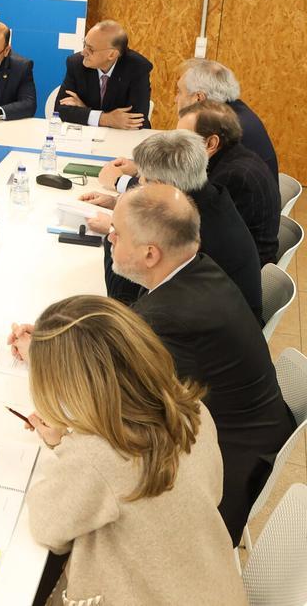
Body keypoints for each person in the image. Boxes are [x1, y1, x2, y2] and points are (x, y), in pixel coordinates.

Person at [37, 183, 292, 545]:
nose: (109, 238)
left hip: (227, 471)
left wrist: (61, 431)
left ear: (151, 254)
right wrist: (55, 336)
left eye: (117, 233)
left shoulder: (170, 318)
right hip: (248, 432)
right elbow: (123, 345)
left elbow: (120, 409)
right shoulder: (194, 269)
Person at [20, 295, 245, 606]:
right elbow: (213, 491)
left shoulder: (96, 457)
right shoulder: (188, 405)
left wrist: (69, 447)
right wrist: (66, 442)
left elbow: (47, 527)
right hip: (212, 586)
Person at [80, 130, 262, 323]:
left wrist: (116, 232)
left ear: (159, 186)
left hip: (200, 333)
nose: (138, 183)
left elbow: (123, 302)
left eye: (141, 178)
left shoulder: (186, 228)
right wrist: (117, 206)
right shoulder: (211, 197)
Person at [179, 100, 280, 265]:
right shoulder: (235, 156)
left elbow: (198, 234)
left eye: (183, 139)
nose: (177, 146)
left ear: (211, 143)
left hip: (239, 274)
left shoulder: (233, 177)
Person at [176, 58, 277, 178]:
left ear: (198, 98)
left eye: (179, 92)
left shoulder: (223, 127)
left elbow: (187, 175)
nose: (176, 99)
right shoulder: (236, 110)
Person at [55, 19, 151, 129]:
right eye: (85, 44)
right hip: (87, 138)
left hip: (125, 140)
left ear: (112, 54)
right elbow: (59, 110)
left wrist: (84, 109)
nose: (83, 52)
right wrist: (105, 119)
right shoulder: (76, 63)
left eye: (90, 49)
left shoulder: (137, 68)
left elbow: (136, 121)